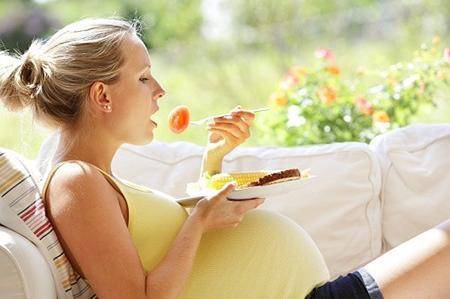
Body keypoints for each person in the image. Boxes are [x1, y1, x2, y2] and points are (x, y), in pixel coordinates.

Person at [0, 17, 448, 299]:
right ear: (102, 95)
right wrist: (200, 223)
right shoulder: (75, 182)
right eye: (143, 78)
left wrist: (213, 163)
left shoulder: (91, 177)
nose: (160, 92)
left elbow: (158, 249)